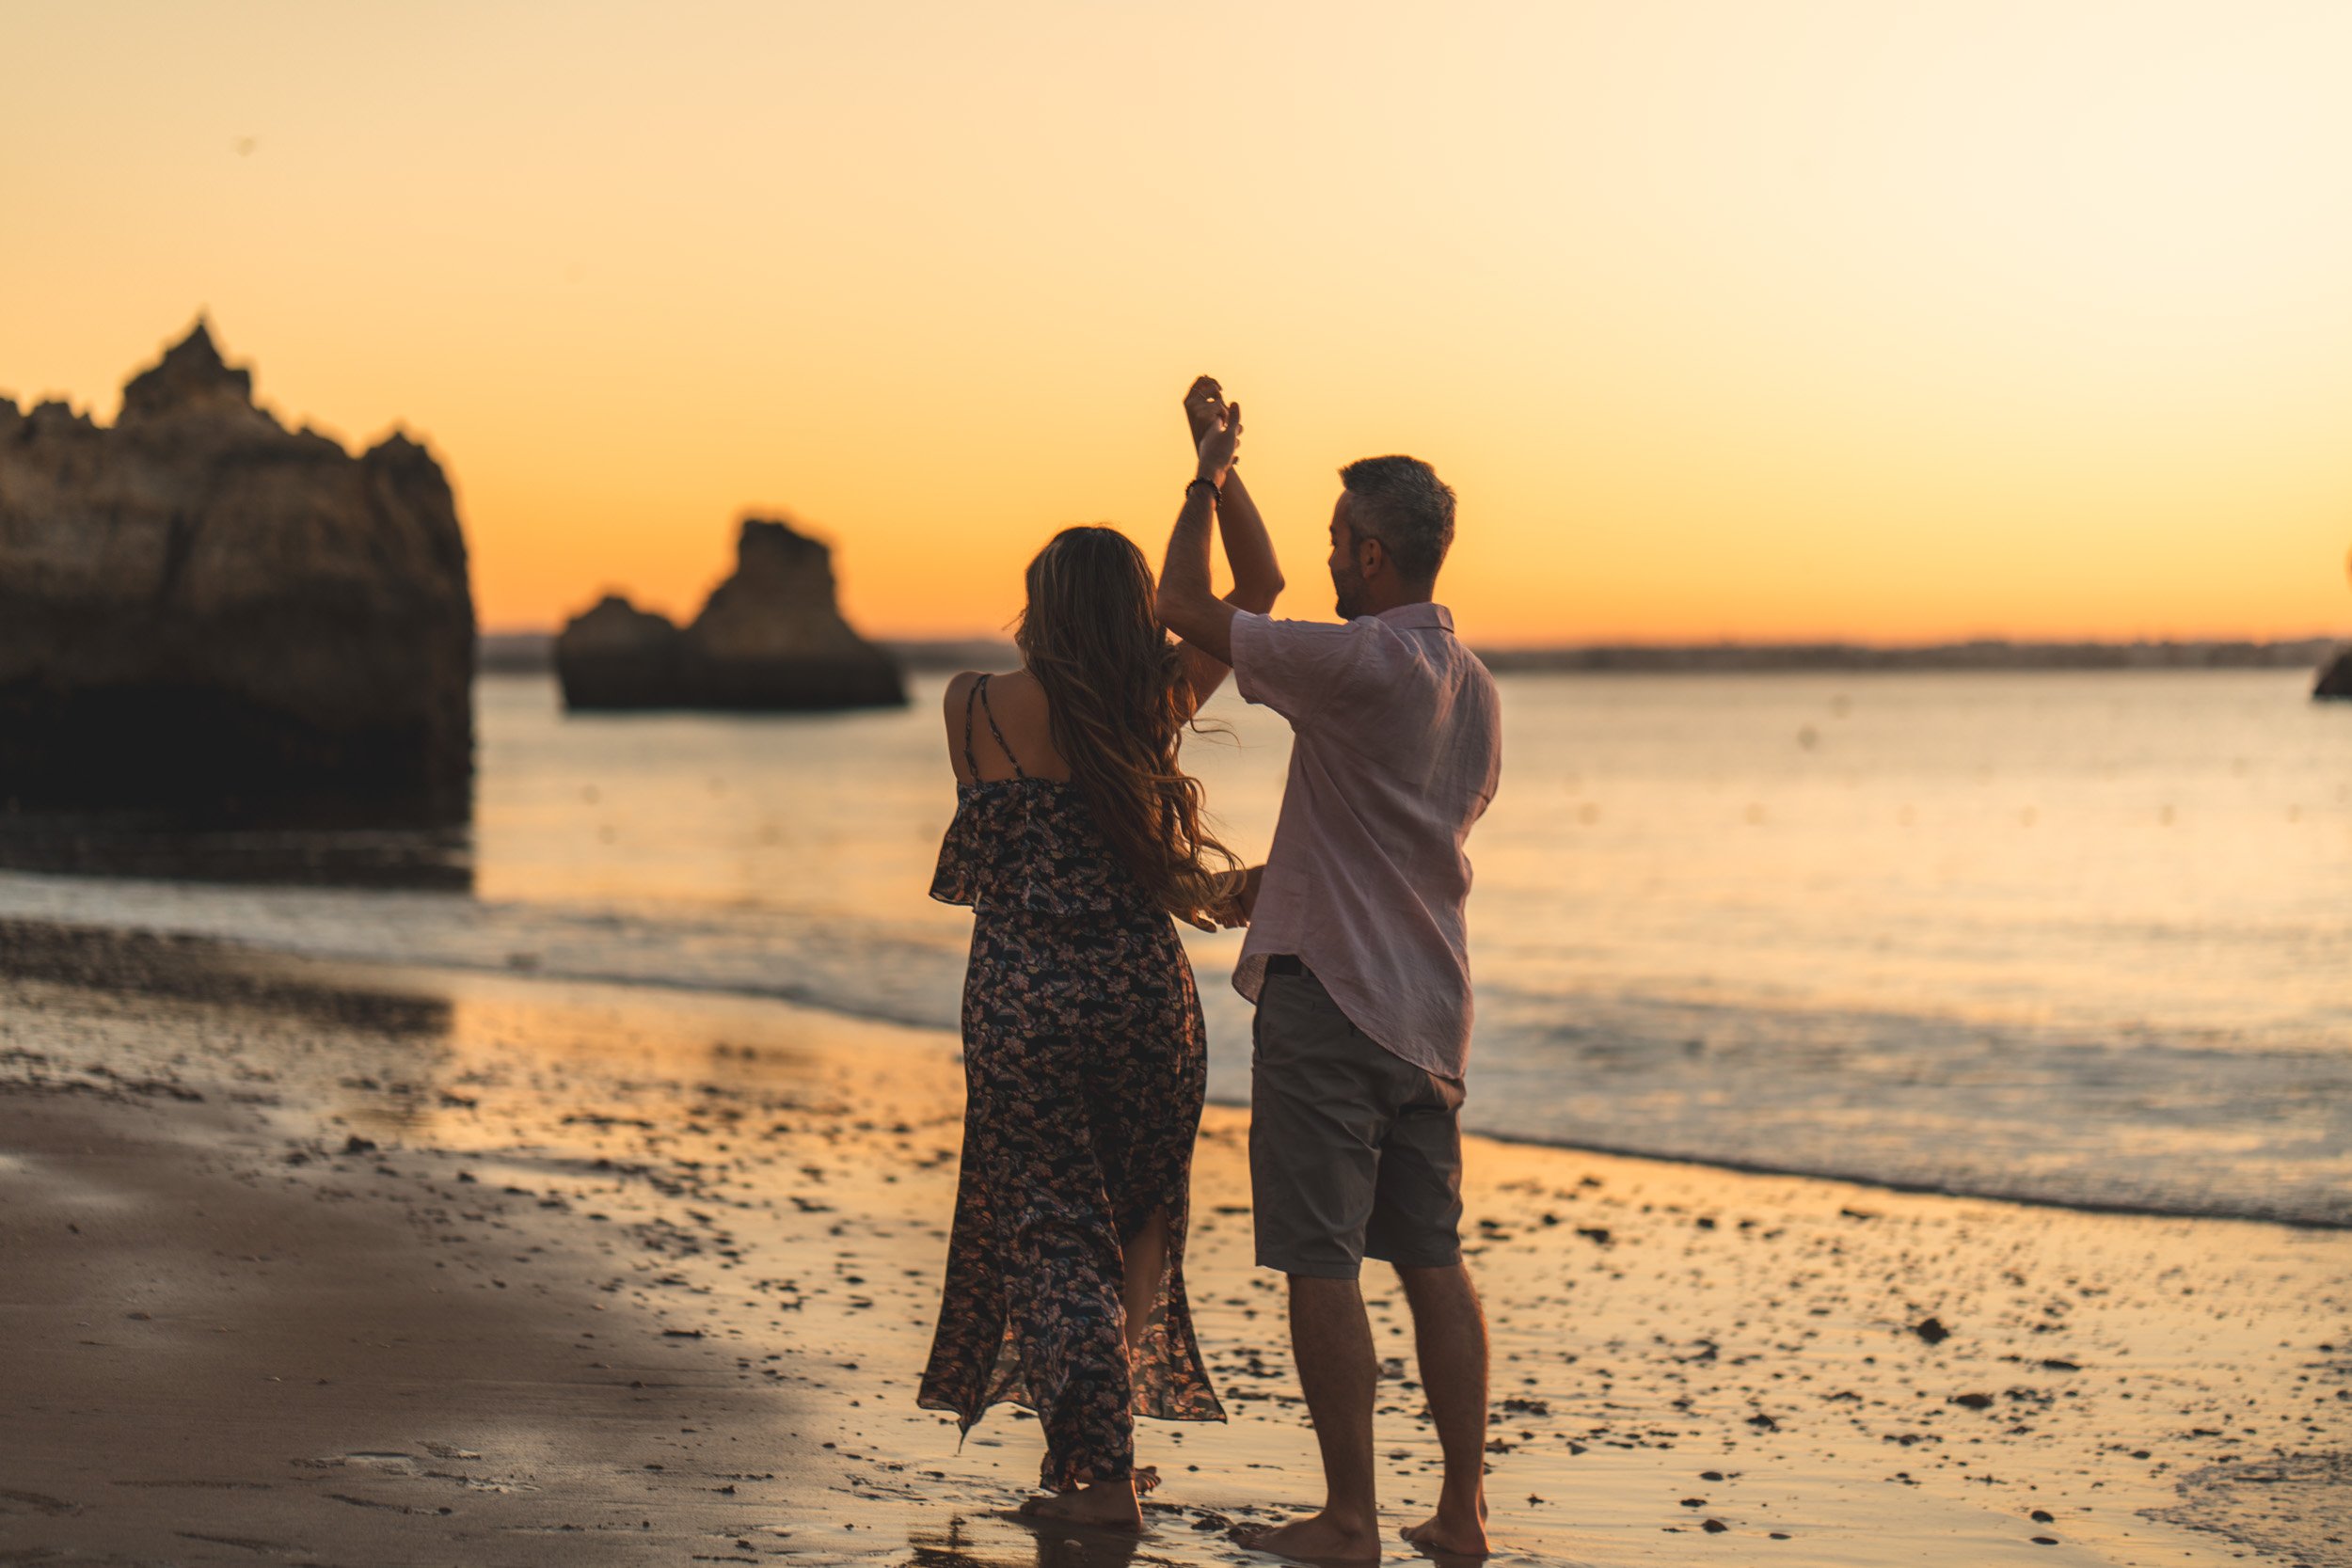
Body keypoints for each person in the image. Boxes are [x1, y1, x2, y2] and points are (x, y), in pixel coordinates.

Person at [916, 378, 1285, 1528]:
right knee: (1131, 1223)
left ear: (1037, 604)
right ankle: (1095, 1455)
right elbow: (1259, 590)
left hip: (1022, 1000)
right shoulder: (1150, 707)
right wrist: (1210, 473)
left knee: (1047, 1222)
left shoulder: (969, 703)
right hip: (1141, 999)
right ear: (1133, 611)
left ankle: (1104, 1474)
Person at [1157, 391, 1502, 1561]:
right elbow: (1396, 831)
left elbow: (1183, 607)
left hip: (1333, 1003)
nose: (1325, 560)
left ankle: (1347, 1516)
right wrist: (1280, 874)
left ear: (1369, 550)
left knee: (1318, 1257)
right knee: (1431, 1258)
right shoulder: (1476, 687)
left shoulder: (1357, 660)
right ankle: (1459, 1512)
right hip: (1430, 1013)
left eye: (1334, 541)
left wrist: (1204, 479)